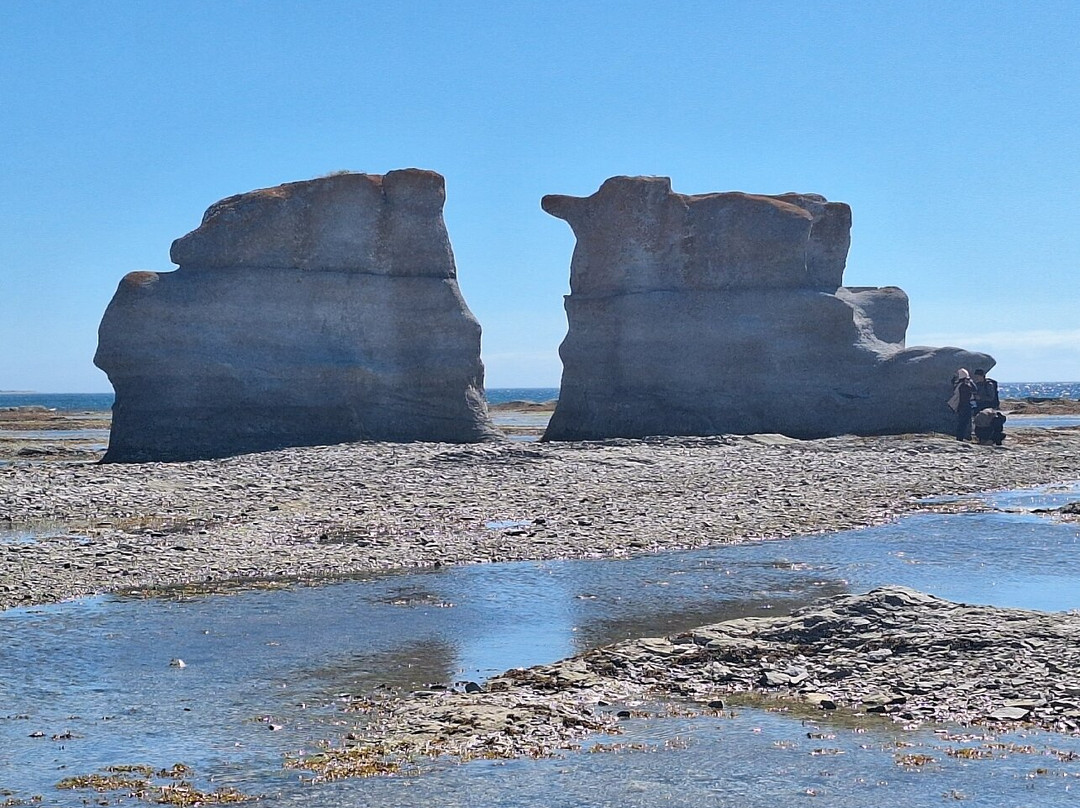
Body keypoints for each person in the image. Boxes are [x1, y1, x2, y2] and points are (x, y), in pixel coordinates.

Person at [949, 368, 977, 441]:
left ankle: (960, 437)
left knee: (961, 422)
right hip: (965, 406)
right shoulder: (965, 385)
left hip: (960, 406)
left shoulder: (957, 384)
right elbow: (974, 389)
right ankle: (960, 438)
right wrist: (971, 381)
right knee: (964, 423)